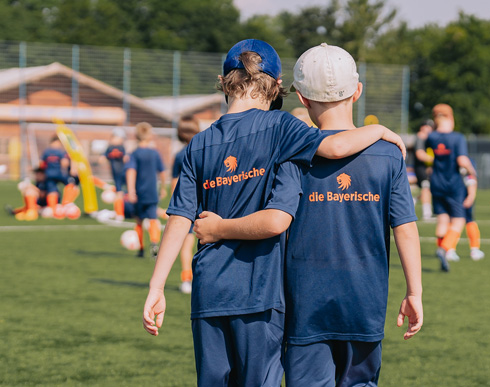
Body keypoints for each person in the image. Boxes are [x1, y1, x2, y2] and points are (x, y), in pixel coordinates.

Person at [141, 39, 405, 387]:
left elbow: (178, 219)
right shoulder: (282, 128)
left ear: (223, 83)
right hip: (259, 294)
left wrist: (156, 286)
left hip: (209, 292)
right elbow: (337, 145)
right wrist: (381, 130)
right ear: (278, 87)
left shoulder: (198, 145)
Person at [417, 104, 476, 271]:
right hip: (453, 183)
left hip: (436, 182)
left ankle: (442, 251)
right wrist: (473, 172)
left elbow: (421, 149)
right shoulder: (457, 138)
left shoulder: (433, 137)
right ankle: (444, 249)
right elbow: (462, 161)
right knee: (459, 220)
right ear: (451, 118)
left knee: (442, 218)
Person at [126, 122, 167, 259]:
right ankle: (154, 244)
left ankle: (141, 249)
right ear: (149, 135)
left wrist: (131, 191)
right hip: (151, 192)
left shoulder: (135, 153)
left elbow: (131, 171)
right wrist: (162, 187)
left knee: (139, 220)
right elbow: (162, 171)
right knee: (153, 218)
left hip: (139, 192)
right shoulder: (154, 153)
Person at [171, 116, 201, 294]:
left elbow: (175, 183)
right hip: (205, 205)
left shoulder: (179, 155)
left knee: (187, 246)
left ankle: (186, 279)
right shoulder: (204, 150)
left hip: (187, 207)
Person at [100, 128, 128, 221]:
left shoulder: (122, 147)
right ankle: (119, 212)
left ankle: (124, 211)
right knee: (119, 192)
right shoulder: (110, 148)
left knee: (125, 192)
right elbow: (103, 157)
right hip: (116, 174)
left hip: (124, 172)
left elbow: (126, 158)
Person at [414, 119, 435, 220]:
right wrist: (436, 160)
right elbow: (420, 154)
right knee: (426, 187)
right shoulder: (420, 137)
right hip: (421, 168)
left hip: (427, 168)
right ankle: (427, 214)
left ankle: (413, 201)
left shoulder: (429, 139)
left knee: (429, 189)